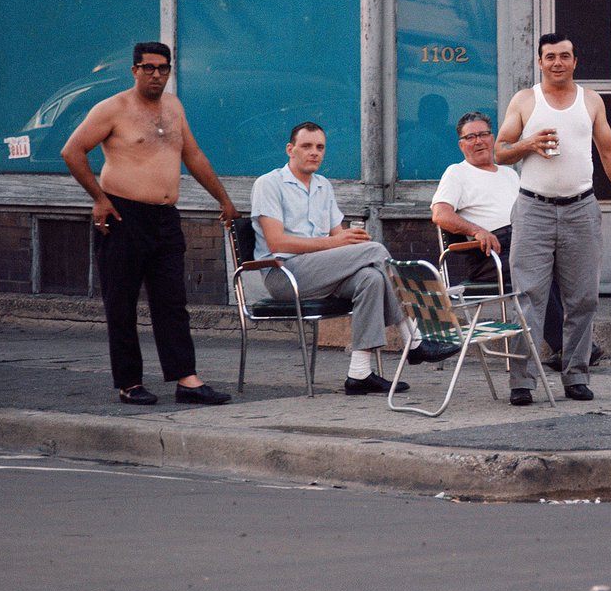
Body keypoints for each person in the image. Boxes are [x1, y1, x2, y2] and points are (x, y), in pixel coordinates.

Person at [61, 41, 236, 406]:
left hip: (165, 218)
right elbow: (72, 151)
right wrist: (99, 198)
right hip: (123, 216)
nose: (156, 74)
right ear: (134, 70)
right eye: (148, 68)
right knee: (121, 302)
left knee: (172, 302)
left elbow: (193, 154)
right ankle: (129, 382)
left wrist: (222, 198)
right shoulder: (112, 109)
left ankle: (187, 379)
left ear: (170, 71)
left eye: (163, 68)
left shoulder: (173, 107)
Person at [251, 122, 459, 397]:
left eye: (320, 147)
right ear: (290, 149)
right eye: (306, 146)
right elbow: (277, 242)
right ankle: (415, 338)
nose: (314, 152)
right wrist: (338, 243)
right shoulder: (269, 183)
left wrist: (350, 239)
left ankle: (359, 373)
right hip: (284, 275)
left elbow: (339, 238)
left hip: (321, 270)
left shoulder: (323, 185)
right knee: (375, 251)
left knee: (370, 278)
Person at [494, 33, 611, 405]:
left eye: (564, 56)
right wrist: (527, 144)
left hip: (581, 208)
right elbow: (499, 152)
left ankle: (576, 375)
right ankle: (522, 383)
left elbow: (610, 154)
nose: (557, 63)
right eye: (550, 57)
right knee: (529, 298)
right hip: (533, 209)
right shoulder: (526, 100)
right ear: (540, 62)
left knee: (583, 299)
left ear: (575, 61)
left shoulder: (591, 101)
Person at [431, 111, 602, 371]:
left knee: (570, 266)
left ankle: (573, 347)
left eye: (484, 135)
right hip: (491, 253)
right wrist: (477, 230)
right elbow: (440, 214)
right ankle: (569, 350)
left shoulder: (510, 174)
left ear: (493, 138)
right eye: (471, 137)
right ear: (461, 144)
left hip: (526, 237)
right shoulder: (457, 173)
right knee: (537, 271)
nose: (478, 141)